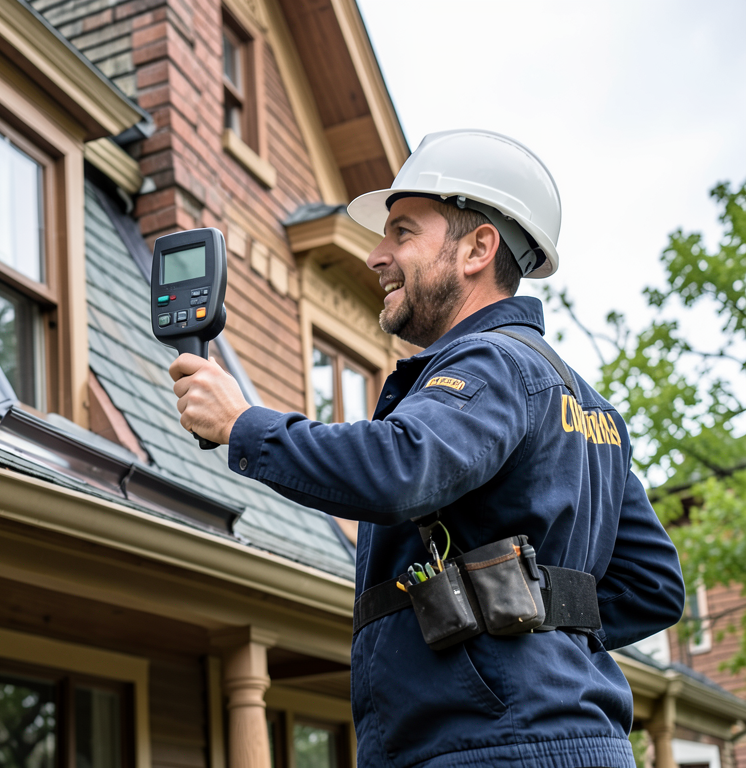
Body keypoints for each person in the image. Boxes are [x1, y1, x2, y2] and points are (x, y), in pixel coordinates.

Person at [169, 129, 685, 768]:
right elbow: (652, 585)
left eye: (403, 233)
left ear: (478, 249)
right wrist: (531, 624)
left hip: (484, 749)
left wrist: (243, 424)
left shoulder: (487, 362)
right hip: (578, 742)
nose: (376, 255)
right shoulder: (589, 408)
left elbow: (399, 466)